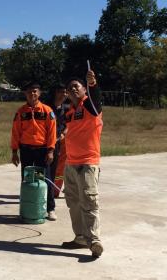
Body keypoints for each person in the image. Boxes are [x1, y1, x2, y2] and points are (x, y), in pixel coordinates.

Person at [61, 69, 104, 258]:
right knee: (74, 203)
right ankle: (79, 238)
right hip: (71, 164)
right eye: (70, 88)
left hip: (87, 163)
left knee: (89, 202)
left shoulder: (90, 106)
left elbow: (96, 99)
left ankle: (94, 241)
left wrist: (92, 84)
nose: (73, 89)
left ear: (84, 90)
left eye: (76, 86)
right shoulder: (69, 112)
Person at [11, 81, 57, 220]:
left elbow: (52, 132)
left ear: (39, 93)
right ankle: (28, 208)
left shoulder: (47, 111)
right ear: (25, 93)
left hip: (42, 151)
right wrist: (14, 152)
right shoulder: (21, 112)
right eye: (30, 91)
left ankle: (50, 209)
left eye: (35, 91)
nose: (32, 93)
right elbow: (15, 132)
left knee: (45, 180)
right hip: (26, 151)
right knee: (28, 180)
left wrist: (50, 150)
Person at [43, 84, 69, 199]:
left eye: (65, 92)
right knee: (46, 167)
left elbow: (70, 124)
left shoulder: (67, 108)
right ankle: (43, 190)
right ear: (55, 92)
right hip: (47, 143)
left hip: (61, 142)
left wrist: (64, 133)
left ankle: (55, 191)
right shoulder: (47, 107)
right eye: (60, 92)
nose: (63, 94)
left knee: (59, 168)